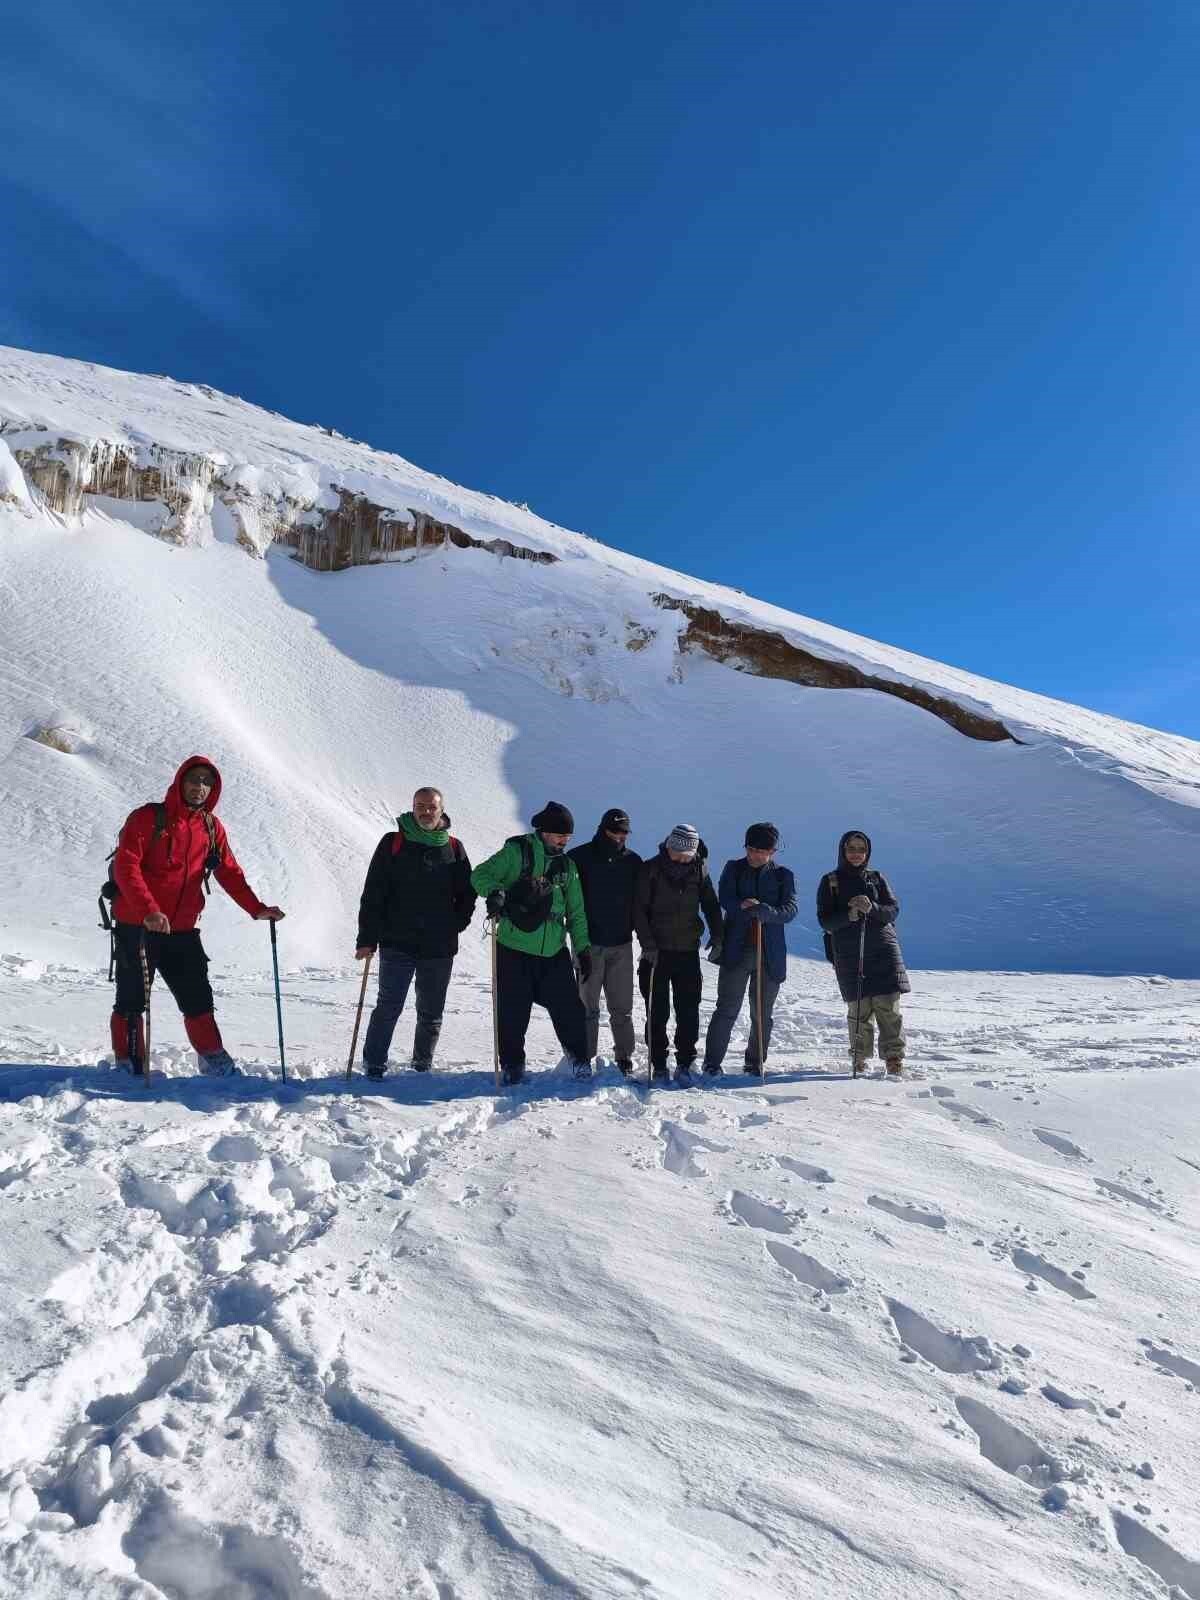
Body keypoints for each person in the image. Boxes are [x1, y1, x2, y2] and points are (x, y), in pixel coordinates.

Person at [108, 756, 284, 1076]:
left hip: (183, 928)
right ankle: (129, 1060)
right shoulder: (148, 818)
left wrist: (256, 909)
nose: (200, 787)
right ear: (180, 781)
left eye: (207, 782)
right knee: (132, 999)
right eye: (195, 780)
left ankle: (211, 1054)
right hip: (138, 925)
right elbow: (126, 866)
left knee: (197, 996)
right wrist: (149, 910)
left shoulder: (211, 828)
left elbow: (229, 872)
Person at [355, 787, 476, 1077]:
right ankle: (374, 1064)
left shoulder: (454, 847)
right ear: (412, 807)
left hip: (439, 946)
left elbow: (467, 893)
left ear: (441, 810)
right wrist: (367, 939)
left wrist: (455, 924)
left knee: (431, 1012)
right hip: (398, 942)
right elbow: (373, 893)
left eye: (431, 807)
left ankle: (422, 1065)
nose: (425, 812)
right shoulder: (393, 843)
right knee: (388, 1006)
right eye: (420, 806)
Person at [470, 801, 593, 1086]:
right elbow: (479, 875)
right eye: (559, 835)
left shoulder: (567, 865)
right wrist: (495, 893)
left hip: (553, 950)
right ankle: (512, 1064)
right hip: (513, 947)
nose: (564, 840)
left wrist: (582, 949)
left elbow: (576, 912)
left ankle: (578, 1058)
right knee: (513, 1009)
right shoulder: (517, 852)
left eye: (568, 837)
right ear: (544, 831)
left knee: (569, 1008)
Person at [703, 823, 797, 1076]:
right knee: (726, 1008)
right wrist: (743, 906)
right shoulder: (733, 868)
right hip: (737, 949)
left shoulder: (783, 875)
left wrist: (767, 912)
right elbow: (724, 897)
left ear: (773, 851)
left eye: (762, 851)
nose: (755, 855)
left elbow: (790, 910)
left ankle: (755, 1061)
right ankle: (712, 1063)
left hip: (769, 954)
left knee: (762, 1013)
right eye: (751, 849)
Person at [634, 823, 723, 1084]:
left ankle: (685, 1061)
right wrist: (648, 944)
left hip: (687, 952)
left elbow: (711, 905)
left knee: (688, 1010)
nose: (682, 858)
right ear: (669, 846)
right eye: (677, 852)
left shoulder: (699, 870)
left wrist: (718, 935)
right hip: (656, 954)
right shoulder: (650, 869)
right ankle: (658, 1062)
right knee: (657, 1010)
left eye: (687, 854)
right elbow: (638, 910)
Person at [816, 830, 909, 1077]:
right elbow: (825, 921)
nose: (856, 854)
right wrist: (849, 916)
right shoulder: (830, 881)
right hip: (849, 953)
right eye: (851, 849)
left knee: (887, 1007)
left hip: (883, 951)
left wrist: (873, 908)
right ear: (842, 851)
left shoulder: (877, 878)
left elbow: (893, 911)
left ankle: (894, 1059)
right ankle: (859, 1058)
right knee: (859, 1010)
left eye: (861, 849)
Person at [568, 808, 642, 1075]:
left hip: (622, 944)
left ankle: (624, 1057)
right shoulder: (579, 858)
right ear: (602, 829)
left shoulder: (634, 862)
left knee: (621, 1008)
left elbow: (641, 903)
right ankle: (584, 1058)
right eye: (615, 831)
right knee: (587, 1008)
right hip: (588, 944)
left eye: (624, 832)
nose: (620, 837)